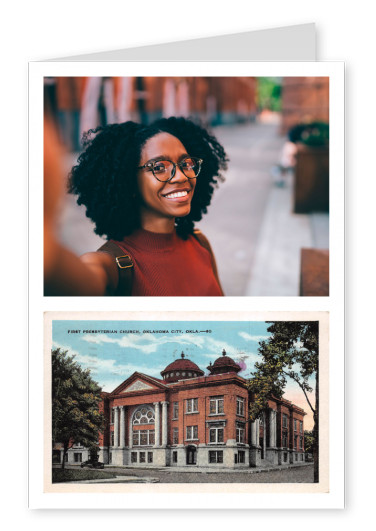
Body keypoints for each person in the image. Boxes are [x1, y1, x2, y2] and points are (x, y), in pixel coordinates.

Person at [46, 117, 227, 296]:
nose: (181, 176)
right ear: (129, 181)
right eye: (159, 167)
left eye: (186, 164)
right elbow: (70, 279)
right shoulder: (111, 266)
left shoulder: (200, 243)